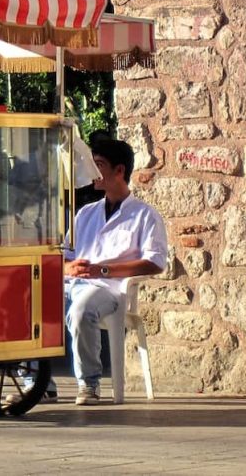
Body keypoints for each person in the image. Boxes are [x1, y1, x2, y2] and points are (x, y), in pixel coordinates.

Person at [62, 138, 167, 405]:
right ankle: (33, 381)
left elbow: (154, 262)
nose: (94, 173)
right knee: (31, 300)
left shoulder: (145, 215)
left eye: (99, 165)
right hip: (73, 283)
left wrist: (103, 270)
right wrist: (68, 267)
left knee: (81, 310)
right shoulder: (85, 213)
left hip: (110, 289)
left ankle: (89, 383)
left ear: (119, 171)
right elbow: (62, 256)